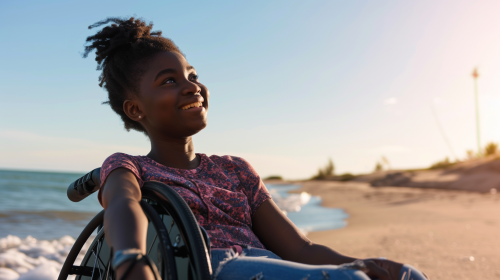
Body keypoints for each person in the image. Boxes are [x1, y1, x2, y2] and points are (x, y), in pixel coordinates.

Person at [83, 17, 427, 280]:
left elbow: (299, 248)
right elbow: (123, 205)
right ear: (135, 109)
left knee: (404, 275)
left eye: (192, 74)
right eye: (169, 81)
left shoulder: (236, 170)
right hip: (204, 268)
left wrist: (362, 263)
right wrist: (131, 260)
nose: (192, 87)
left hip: (269, 266)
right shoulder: (130, 166)